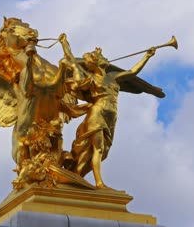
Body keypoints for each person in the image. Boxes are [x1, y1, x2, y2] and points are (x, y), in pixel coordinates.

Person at [58, 35, 156, 189]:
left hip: (111, 116)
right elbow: (71, 59)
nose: (106, 59)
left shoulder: (112, 76)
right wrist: (64, 43)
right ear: (95, 61)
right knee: (98, 148)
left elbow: (132, 72)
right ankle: (99, 183)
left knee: (104, 152)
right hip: (98, 113)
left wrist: (147, 56)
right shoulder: (90, 79)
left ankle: (77, 175)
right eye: (102, 57)